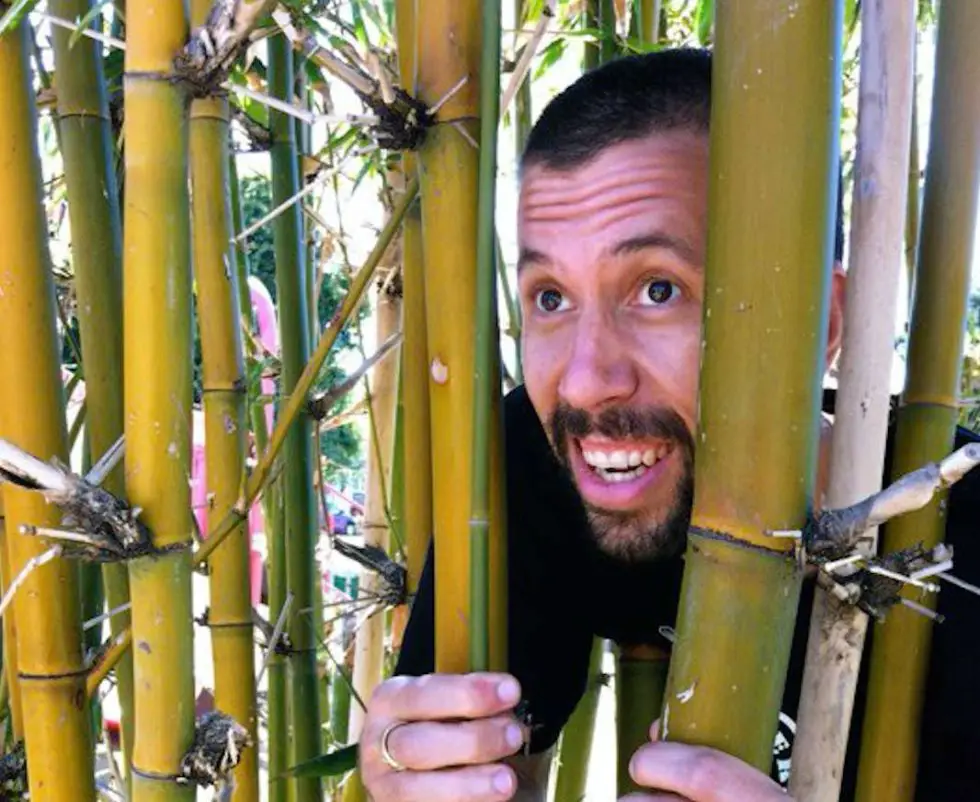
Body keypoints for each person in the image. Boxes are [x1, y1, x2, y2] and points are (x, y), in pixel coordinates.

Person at [359, 48, 980, 802]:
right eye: (549, 297)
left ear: (822, 322)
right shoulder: (540, 455)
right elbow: (490, 775)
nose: (586, 379)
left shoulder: (964, 535)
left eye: (657, 289)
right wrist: (425, 774)